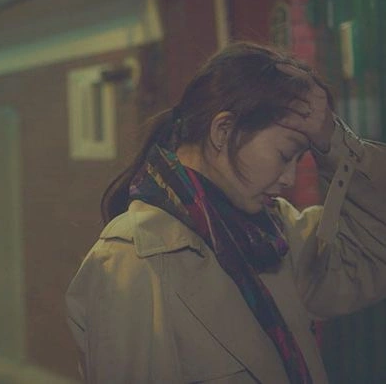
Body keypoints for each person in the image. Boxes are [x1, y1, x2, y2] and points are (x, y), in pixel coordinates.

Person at [65, 42, 386, 383]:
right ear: (223, 131)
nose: (290, 178)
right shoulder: (134, 259)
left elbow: (373, 251)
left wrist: (334, 142)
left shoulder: (273, 235)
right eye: (284, 155)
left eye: (299, 159)